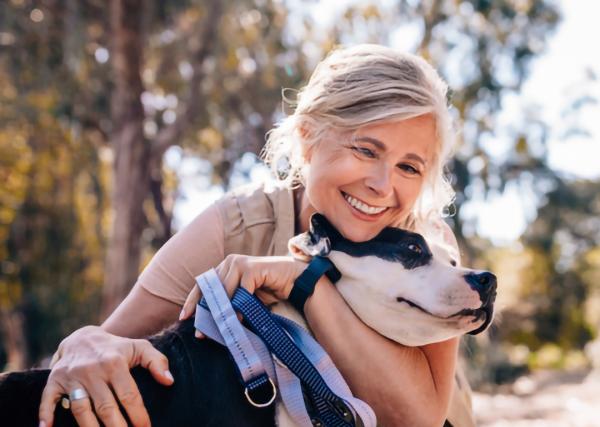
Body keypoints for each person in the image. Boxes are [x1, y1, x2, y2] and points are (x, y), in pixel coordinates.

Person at [38, 44, 473, 427]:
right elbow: (107, 342)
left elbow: (414, 420)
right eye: (365, 150)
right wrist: (83, 344)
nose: (383, 184)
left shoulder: (426, 248)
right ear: (308, 138)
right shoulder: (238, 226)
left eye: (409, 167)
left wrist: (303, 284)